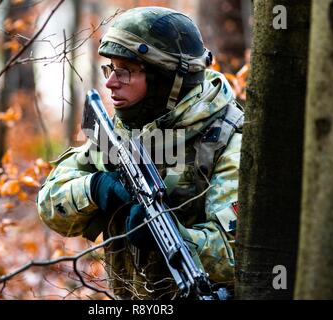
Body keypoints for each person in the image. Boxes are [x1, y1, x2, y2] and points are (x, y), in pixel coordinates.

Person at [37, 6, 243, 300]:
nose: (110, 82)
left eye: (125, 71)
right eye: (110, 68)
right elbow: (49, 204)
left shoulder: (226, 141)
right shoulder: (123, 132)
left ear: (165, 79)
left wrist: (178, 240)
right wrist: (94, 188)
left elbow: (239, 256)